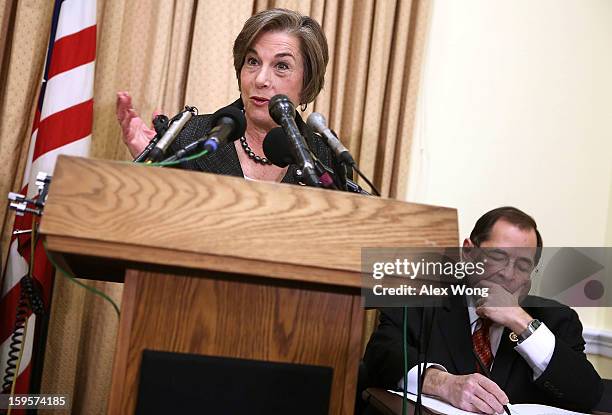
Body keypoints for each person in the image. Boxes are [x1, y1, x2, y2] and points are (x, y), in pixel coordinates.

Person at [363, 206, 603, 414]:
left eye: (523, 266)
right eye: (498, 256)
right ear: (468, 252)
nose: (508, 274)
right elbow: (381, 355)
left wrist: (520, 321)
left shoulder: (557, 319)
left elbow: (587, 393)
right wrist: (443, 384)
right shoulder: (421, 298)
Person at [116, 8, 331, 184]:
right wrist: (150, 167)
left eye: (282, 66)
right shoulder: (189, 137)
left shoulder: (326, 160)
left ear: (307, 81)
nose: (260, 79)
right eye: (253, 62)